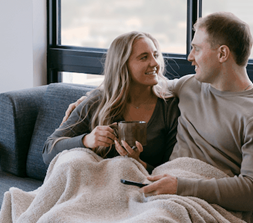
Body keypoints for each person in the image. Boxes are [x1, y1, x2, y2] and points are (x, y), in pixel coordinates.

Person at [141, 12, 253, 211]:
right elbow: (139, 89)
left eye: (196, 49)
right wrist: (96, 105)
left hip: (204, 205)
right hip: (164, 187)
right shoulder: (189, 86)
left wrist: (180, 187)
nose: (190, 57)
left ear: (222, 54)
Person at [43, 31, 179, 171]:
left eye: (155, 55)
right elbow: (48, 151)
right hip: (99, 181)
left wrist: (138, 163)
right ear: (122, 65)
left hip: (143, 183)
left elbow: (171, 170)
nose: (155, 63)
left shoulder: (169, 107)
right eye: (144, 57)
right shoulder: (97, 102)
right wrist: (87, 140)